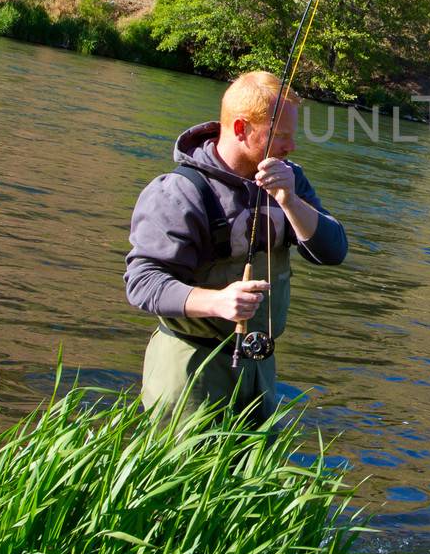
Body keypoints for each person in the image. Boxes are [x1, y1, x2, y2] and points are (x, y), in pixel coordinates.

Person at [125, 70, 347, 425]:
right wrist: (218, 302)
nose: (292, 147)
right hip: (189, 366)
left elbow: (334, 251)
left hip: (258, 368)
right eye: (282, 137)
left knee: (254, 478)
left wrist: (290, 200)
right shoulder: (177, 192)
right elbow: (142, 283)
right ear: (242, 129)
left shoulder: (289, 178)